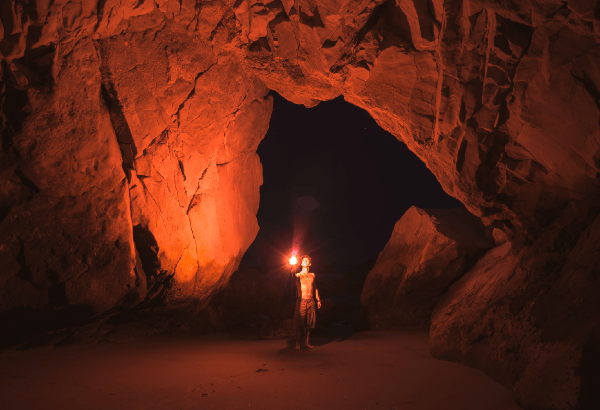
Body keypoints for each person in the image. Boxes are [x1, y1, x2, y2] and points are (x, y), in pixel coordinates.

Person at [292, 255, 321, 349]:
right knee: (298, 323)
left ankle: (306, 342)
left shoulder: (313, 275)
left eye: (307, 261)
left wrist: (318, 299)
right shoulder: (298, 275)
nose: (305, 262)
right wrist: (292, 268)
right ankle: (297, 344)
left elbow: (315, 288)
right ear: (301, 263)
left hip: (311, 301)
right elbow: (292, 275)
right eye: (304, 261)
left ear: (310, 263)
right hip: (301, 302)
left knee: (309, 324)